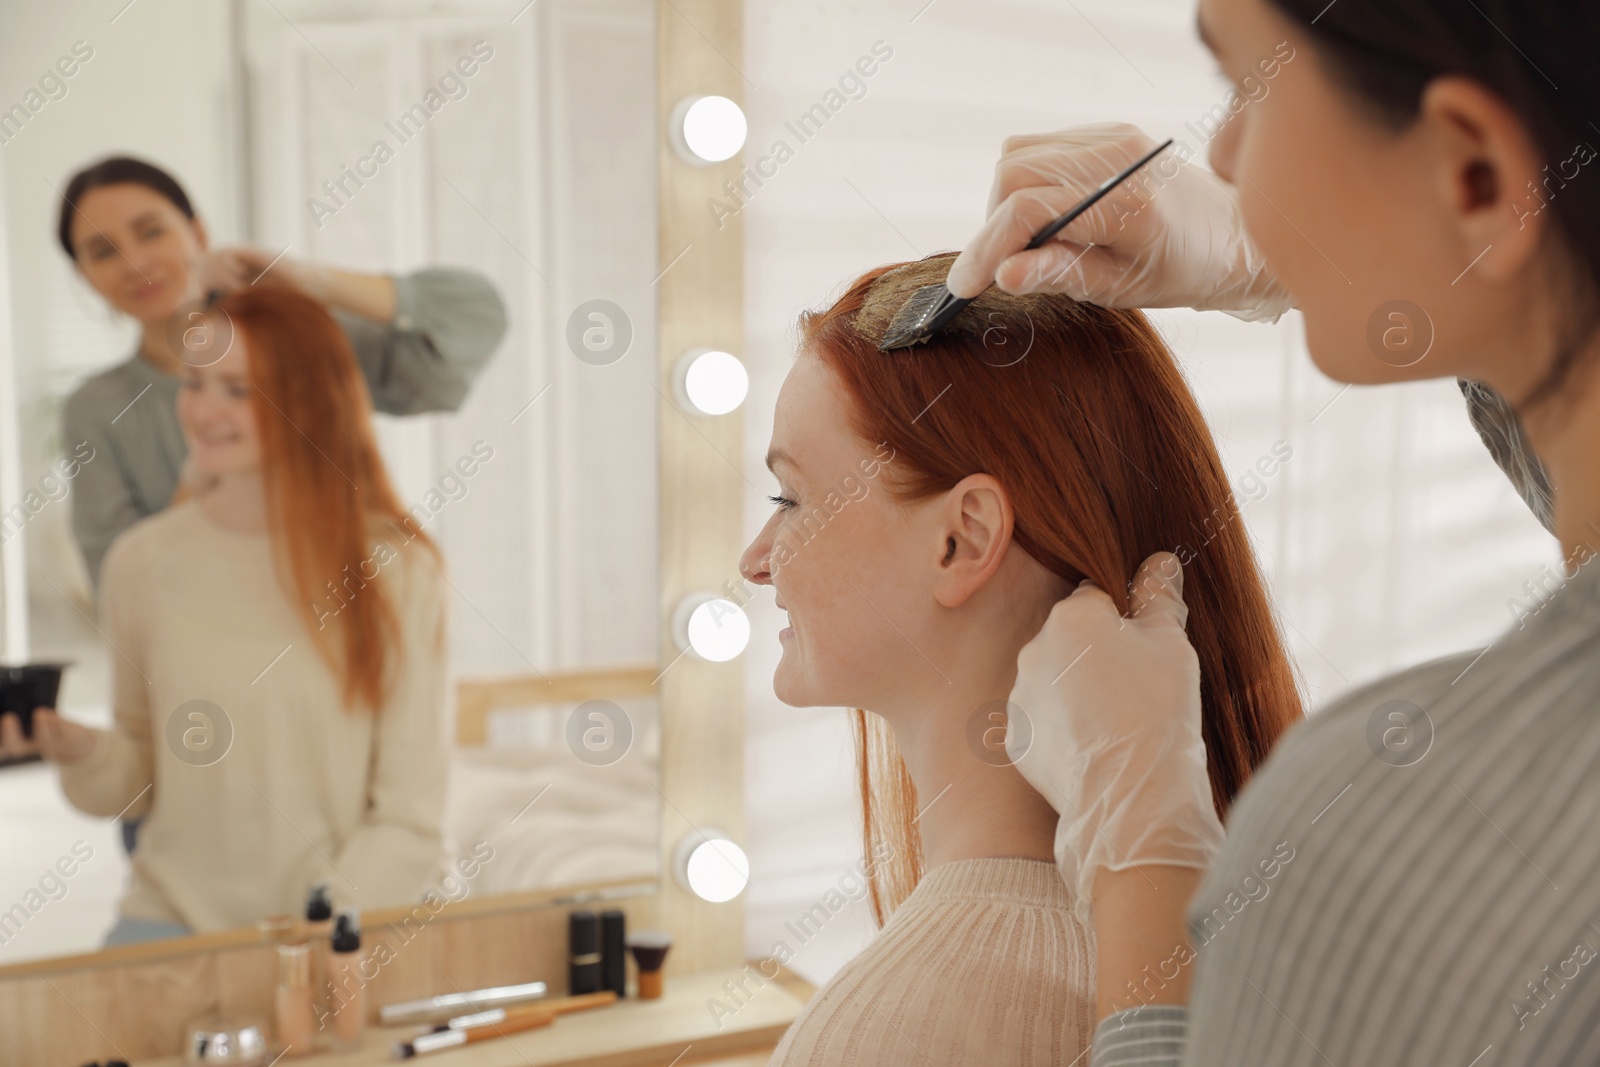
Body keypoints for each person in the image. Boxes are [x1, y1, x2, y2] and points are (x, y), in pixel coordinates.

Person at [946, 0, 1600, 1063]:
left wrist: (1143, 856)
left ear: (1471, 171)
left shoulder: (1392, 846)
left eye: (1249, 89)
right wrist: (1308, 253)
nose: (1223, 156)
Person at [741, 252, 1302, 1066]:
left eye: (789, 499)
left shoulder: (887, 1035)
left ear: (962, 536)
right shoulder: (1241, 947)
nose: (757, 560)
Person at [0, 284, 450, 945]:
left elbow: (410, 816)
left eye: (238, 389)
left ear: (310, 403)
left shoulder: (396, 570)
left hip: (339, 923)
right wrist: (83, 750)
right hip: (171, 914)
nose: (204, 410)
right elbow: (135, 780)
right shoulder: (142, 562)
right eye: (194, 381)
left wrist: (318, 930)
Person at [55, 155, 507, 589]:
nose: (136, 262)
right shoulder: (97, 410)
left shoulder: (298, 350)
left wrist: (307, 279)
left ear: (197, 232)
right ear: (84, 275)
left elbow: (473, 315)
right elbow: (120, 589)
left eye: (151, 232)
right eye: (103, 251)